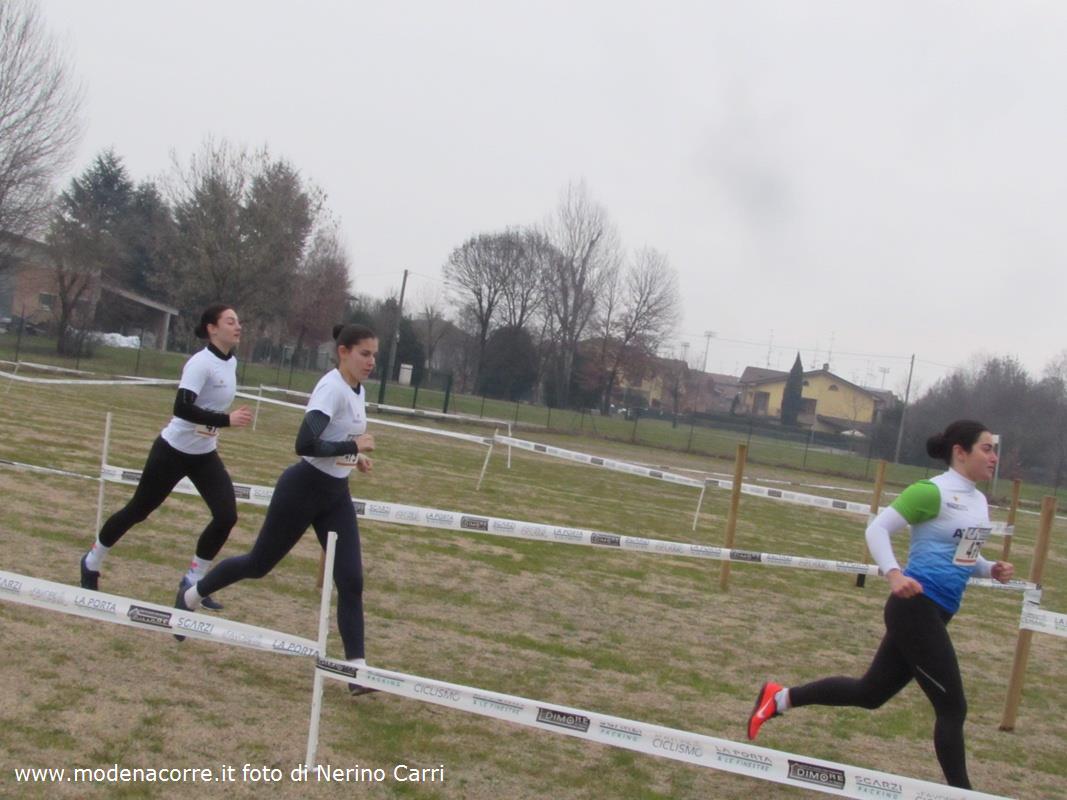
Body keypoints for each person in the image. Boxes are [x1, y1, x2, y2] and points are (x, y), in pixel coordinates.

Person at [746, 420, 1014, 790]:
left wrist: (990, 569)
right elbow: (877, 529)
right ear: (960, 452)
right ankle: (962, 795)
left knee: (870, 693)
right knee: (952, 707)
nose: (994, 456)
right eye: (986, 448)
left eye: (994, 449)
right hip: (914, 608)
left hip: (937, 611)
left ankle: (780, 698)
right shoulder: (931, 492)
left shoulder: (979, 501)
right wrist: (894, 573)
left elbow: (964, 557)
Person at [177, 323, 377, 693]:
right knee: (258, 565)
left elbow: (336, 439)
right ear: (343, 352)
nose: (371, 362)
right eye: (364, 354)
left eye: (374, 355)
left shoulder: (357, 389)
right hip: (302, 489)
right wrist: (353, 447)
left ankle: (356, 672)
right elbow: (305, 443)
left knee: (351, 580)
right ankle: (191, 594)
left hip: (336, 496)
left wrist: (354, 457)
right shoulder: (331, 388)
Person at [80, 305, 253, 610]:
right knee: (138, 510)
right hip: (172, 451)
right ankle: (92, 561)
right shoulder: (200, 363)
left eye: (238, 321)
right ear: (212, 328)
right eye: (230, 321)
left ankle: (193, 581)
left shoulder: (231, 362)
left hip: (204, 454)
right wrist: (226, 420)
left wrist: (219, 423)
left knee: (226, 516)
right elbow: (181, 408)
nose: (237, 326)